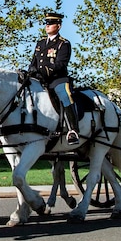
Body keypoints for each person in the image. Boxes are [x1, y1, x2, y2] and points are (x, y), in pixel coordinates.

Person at [27, 11, 79, 146]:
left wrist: (42, 71)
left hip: (57, 80)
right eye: (46, 23)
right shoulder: (40, 43)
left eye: (50, 23)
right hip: (39, 80)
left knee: (64, 94)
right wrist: (31, 71)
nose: (47, 26)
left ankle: (73, 130)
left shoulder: (63, 44)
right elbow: (34, 61)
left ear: (59, 26)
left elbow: (61, 64)